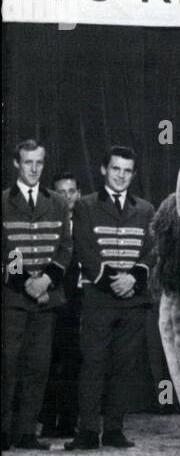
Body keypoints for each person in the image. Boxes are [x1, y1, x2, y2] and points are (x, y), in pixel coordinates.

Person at [67, 147, 156, 451]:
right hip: (98, 299)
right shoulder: (85, 206)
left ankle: (114, 429)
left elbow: (150, 250)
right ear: (104, 169)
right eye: (116, 169)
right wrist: (111, 281)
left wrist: (134, 278)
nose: (121, 176)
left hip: (132, 299)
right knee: (93, 363)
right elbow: (84, 249)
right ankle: (89, 430)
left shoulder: (145, 209)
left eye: (127, 171)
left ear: (133, 174)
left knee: (124, 365)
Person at [2, 141, 72, 451]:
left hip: (47, 298)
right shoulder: (3, 201)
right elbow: (5, 248)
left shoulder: (57, 202)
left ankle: (28, 432)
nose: (34, 169)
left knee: (39, 366)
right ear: (16, 164)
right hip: (13, 299)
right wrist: (26, 285)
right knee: (8, 364)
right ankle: (4, 431)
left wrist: (45, 281)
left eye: (39, 163)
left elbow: (65, 247)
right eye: (28, 162)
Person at [40, 172, 83, 441]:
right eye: (61, 192)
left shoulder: (87, 222)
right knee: (46, 362)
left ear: (78, 194)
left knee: (73, 363)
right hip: (49, 298)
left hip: (79, 302)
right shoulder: (46, 221)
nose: (67, 197)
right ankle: (46, 422)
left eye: (72, 191)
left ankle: (69, 422)